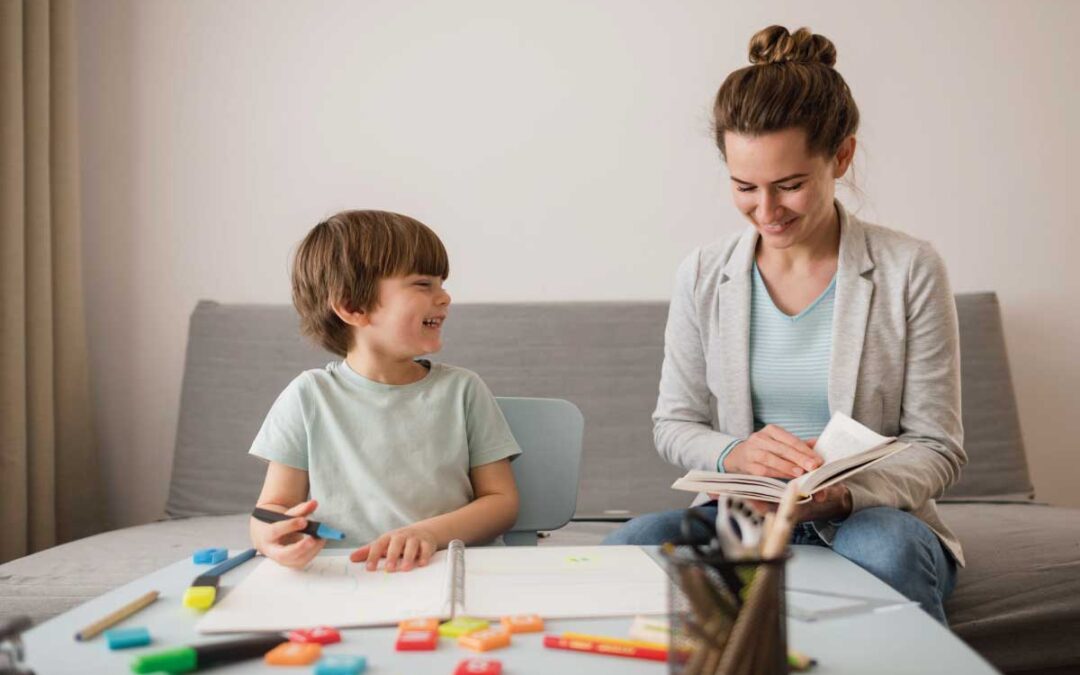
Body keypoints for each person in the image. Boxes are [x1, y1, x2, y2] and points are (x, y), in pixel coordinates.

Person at [603, 25, 964, 624]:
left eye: (790, 186)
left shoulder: (910, 269)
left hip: (866, 520)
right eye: (745, 187)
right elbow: (675, 423)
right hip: (742, 520)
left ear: (841, 156)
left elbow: (936, 448)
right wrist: (737, 454)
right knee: (626, 549)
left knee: (887, 549)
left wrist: (842, 494)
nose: (766, 211)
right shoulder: (703, 274)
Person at [248, 210, 521, 573]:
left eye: (441, 283)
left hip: (447, 567)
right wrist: (272, 537)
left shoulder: (463, 390)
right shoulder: (307, 397)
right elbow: (271, 509)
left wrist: (427, 533)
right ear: (352, 307)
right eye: (424, 284)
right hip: (346, 574)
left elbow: (501, 502)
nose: (444, 297)